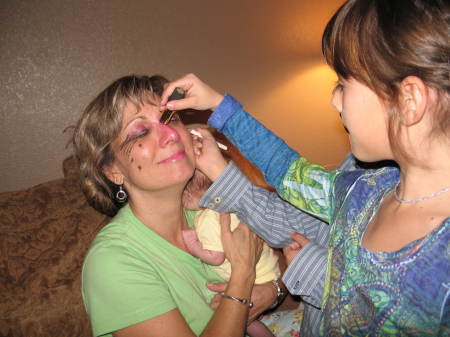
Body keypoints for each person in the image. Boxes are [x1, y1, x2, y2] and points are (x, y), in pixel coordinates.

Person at [159, 0, 450, 335]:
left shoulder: (441, 258)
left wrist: (316, 275)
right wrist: (218, 107)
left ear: (408, 101)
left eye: (343, 83)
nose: (334, 100)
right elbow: (286, 169)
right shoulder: (359, 189)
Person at [71, 74, 279, 337]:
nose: (170, 135)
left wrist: (272, 291)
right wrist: (243, 275)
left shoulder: (210, 207)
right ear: (113, 171)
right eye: (141, 132)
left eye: (171, 118)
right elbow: (248, 264)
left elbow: (276, 256)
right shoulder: (112, 262)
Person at [182, 169, 279, 337]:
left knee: (245, 321)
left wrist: (194, 247)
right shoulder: (233, 203)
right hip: (270, 268)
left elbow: (217, 257)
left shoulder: (206, 218)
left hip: (256, 278)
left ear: (189, 195)